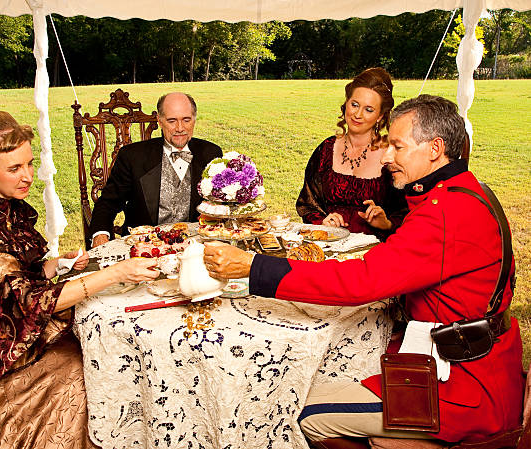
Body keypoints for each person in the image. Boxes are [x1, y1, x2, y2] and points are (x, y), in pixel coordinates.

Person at [204, 95, 523, 448]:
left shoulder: (446, 212)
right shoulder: (464, 192)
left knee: (301, 411)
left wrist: (254, 267)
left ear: (435, 149)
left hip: (462, 390)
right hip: (473, 366)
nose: (386, 157)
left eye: (397, 147)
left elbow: (362, 282)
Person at [0, 111, 159, 448]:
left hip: (3, 321)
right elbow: (28, 300)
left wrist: (59, 264)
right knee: (77, 372)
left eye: (30, 164)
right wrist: (116, 273)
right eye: (14, 169)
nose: (28, 176)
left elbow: (18, 273)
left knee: (93, 352)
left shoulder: (2, 206)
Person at [89, 92, 222, 247]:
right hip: (143, 248)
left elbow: (221, 204)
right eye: (172, 121)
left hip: (195, 246)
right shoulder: (132, 157)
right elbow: (107, 203)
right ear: (159, 121)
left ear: (194, 119)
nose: (180, 128)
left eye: (186, 120)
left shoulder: (211, 153)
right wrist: (100, 234)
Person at [296, 67, 408, 239]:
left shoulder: (390, 156)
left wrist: (386, 223)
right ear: (346, 103)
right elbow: (307, 203)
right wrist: (323, 222)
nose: (357, 114)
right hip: (330, 245)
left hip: (375, 250)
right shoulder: (326, 150)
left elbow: (408, 212)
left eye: (369, 109)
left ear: (380, 116)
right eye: (354, 105)